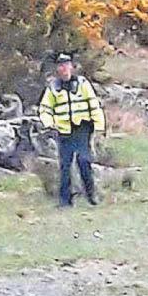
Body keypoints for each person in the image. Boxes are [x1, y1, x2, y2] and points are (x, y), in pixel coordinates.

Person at [38, 54, 106, 207]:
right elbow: (45, 109)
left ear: (72, 67)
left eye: (67, 65)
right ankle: (65, 201)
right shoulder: (53, 88)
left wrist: (99, 126)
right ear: (57, 69)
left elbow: (94, 105)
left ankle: (91, 194)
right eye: (61, 66)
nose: (64, 69)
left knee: (83, 161)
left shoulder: (82, 84)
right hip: (64, 131)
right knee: (65, 166)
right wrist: (49, 123)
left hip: (82, 128)